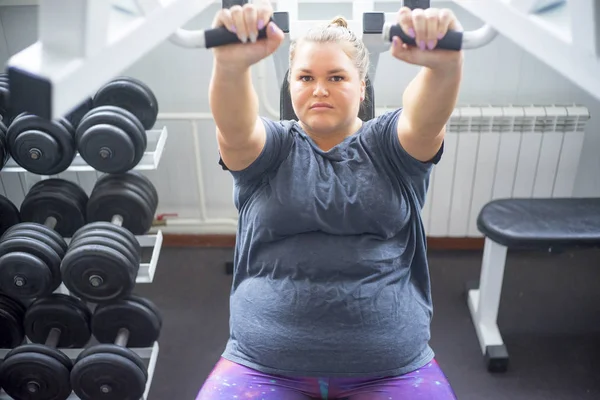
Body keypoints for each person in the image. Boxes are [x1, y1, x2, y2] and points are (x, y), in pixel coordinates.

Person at [197, 1, 464, 399]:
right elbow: (234, 127)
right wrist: (232, 66)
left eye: (336, 77)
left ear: (362, 86)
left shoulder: (391, 148)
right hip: (263, 366)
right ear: (291, 85)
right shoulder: (271, 150)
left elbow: (425, 116)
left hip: (391, 369)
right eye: (305, 77)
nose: (319, 89)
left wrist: (443, 65)